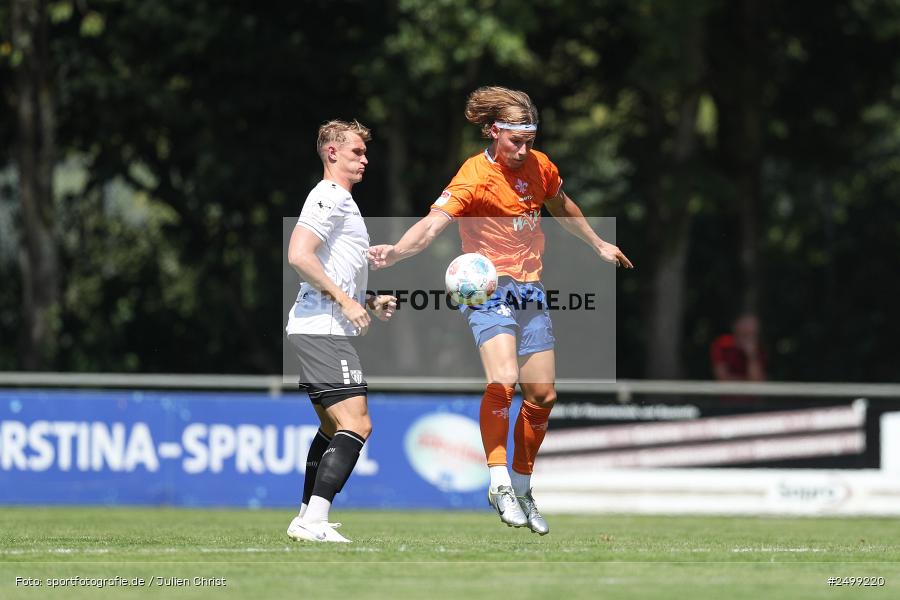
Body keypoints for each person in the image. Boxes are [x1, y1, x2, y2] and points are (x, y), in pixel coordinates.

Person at [368, 86, 633, 535]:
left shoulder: (540, 166)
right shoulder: (473, 176)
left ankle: (524, 488)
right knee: (503, 380)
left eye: (529, 140)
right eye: (516, 141)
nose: (523, 149)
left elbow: (561, 205)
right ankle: (498, 482)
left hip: (531, 290)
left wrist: (597, 243)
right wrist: (395, 253)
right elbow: (434, 225)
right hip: (487, 289)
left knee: (543, 395)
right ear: (494, 132)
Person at [285, 119, 396, 543]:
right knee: (358, 424)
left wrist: (366, 300)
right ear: (332, 153)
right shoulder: (328, 196)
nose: (365, 158)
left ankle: (305, 517)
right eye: (356, 152)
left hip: (316, 326)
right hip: (322, 329)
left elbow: (328, 271)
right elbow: (299, 255)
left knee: (334, 429)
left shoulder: (340, 201)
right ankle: (314, 520)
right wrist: (348, 303)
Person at [711, 313, 767, 381]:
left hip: (750, 391)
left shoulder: (759, 348)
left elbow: (757, 380)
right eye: (745, 330)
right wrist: (747, 381)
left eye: (752, 334)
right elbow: (722, 379)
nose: (749, 331)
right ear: (736, 327)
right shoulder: (723, 345)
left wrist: (752, 356)